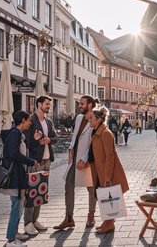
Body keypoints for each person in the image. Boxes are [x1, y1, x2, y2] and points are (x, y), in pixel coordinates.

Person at [53, 95, 99, 230]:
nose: (79, 106)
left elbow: (94, 144)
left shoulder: (96, 119)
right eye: (79, 104)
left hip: (87, 160)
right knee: (68, 186)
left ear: (90, 105)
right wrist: (70, 149)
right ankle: (69, 218)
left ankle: (91, 216)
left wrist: (84, 159)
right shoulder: (79, 118)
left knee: (91, 188)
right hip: (74, 158)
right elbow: (75, 136)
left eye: (82, 104)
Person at [0, 111, 41, 247]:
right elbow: (14, 155)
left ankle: (15, 233)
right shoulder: (14, 134)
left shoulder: (18, 135)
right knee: (16, 208)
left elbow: (21, 151)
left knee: (18, 207)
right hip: (15, 176)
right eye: (29, 120)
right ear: (23, 120)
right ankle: (11, 240)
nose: (30, 123)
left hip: (19, 174)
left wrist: (33, 140)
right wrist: (30, 161)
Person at [88, 106, 129, 234]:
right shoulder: (96, 132)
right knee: (102, 196)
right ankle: (107, 221)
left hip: (105, 172)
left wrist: (107, 176)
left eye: (91, 119)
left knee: (108, 196)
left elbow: (110, 156)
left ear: (99, 120)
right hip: (98, 170)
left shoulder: (105, 133)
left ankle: (109, 223)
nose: (89, 121)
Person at [24, 95, 59, 235]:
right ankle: (27, 223)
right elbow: (26, 143)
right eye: (46, 104)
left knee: (41, 191)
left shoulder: (48, 122)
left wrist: (48, 140)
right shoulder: (31, 121)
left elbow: (56, 138)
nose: (48, 106)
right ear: (38, 104)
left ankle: (35, 220)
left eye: (49, 104)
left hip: (47, 160)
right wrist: (35, 139)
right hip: (35, 160)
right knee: (32, 191)